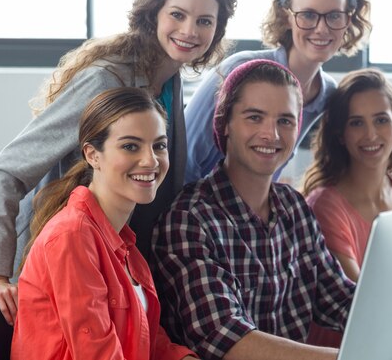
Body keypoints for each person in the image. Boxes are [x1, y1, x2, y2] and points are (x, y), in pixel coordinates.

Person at [0, 0, 237, 324]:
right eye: (178, 14)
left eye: (205, 21)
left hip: (112, 257)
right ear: (154, 15)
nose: (190, 30)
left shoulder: (169, 78)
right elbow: (8, 170)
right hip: (64, 256)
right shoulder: (106, 79)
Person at [152, 59, 355, 360]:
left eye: (285, 121)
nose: (271, 135)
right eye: (254, 117)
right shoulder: (190, 218)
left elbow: (339, 299)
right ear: (224, 124)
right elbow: (228, 339)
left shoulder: (295, 208)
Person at [11, 87, 197, 360]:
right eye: (130, 146)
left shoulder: (122, 240)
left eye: (159, 145)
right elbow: (97, 353)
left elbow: (145, 335)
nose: (150, 160)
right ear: (92, 155)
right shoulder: (71, 236)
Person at [184, 0, 371, 184]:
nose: (322, 28)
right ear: (286, 17)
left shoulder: (326, 93)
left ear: (348, 20)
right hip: (194, 208)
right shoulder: (238, 70)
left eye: (334, 16)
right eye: (308, 15)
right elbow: (184, 158)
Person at [300, 68, 392, 347]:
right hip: (345, 348)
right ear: (340, 134)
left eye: (381, 119)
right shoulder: (325, 206)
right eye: (356, 123)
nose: (371, 134)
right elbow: (361, 302)